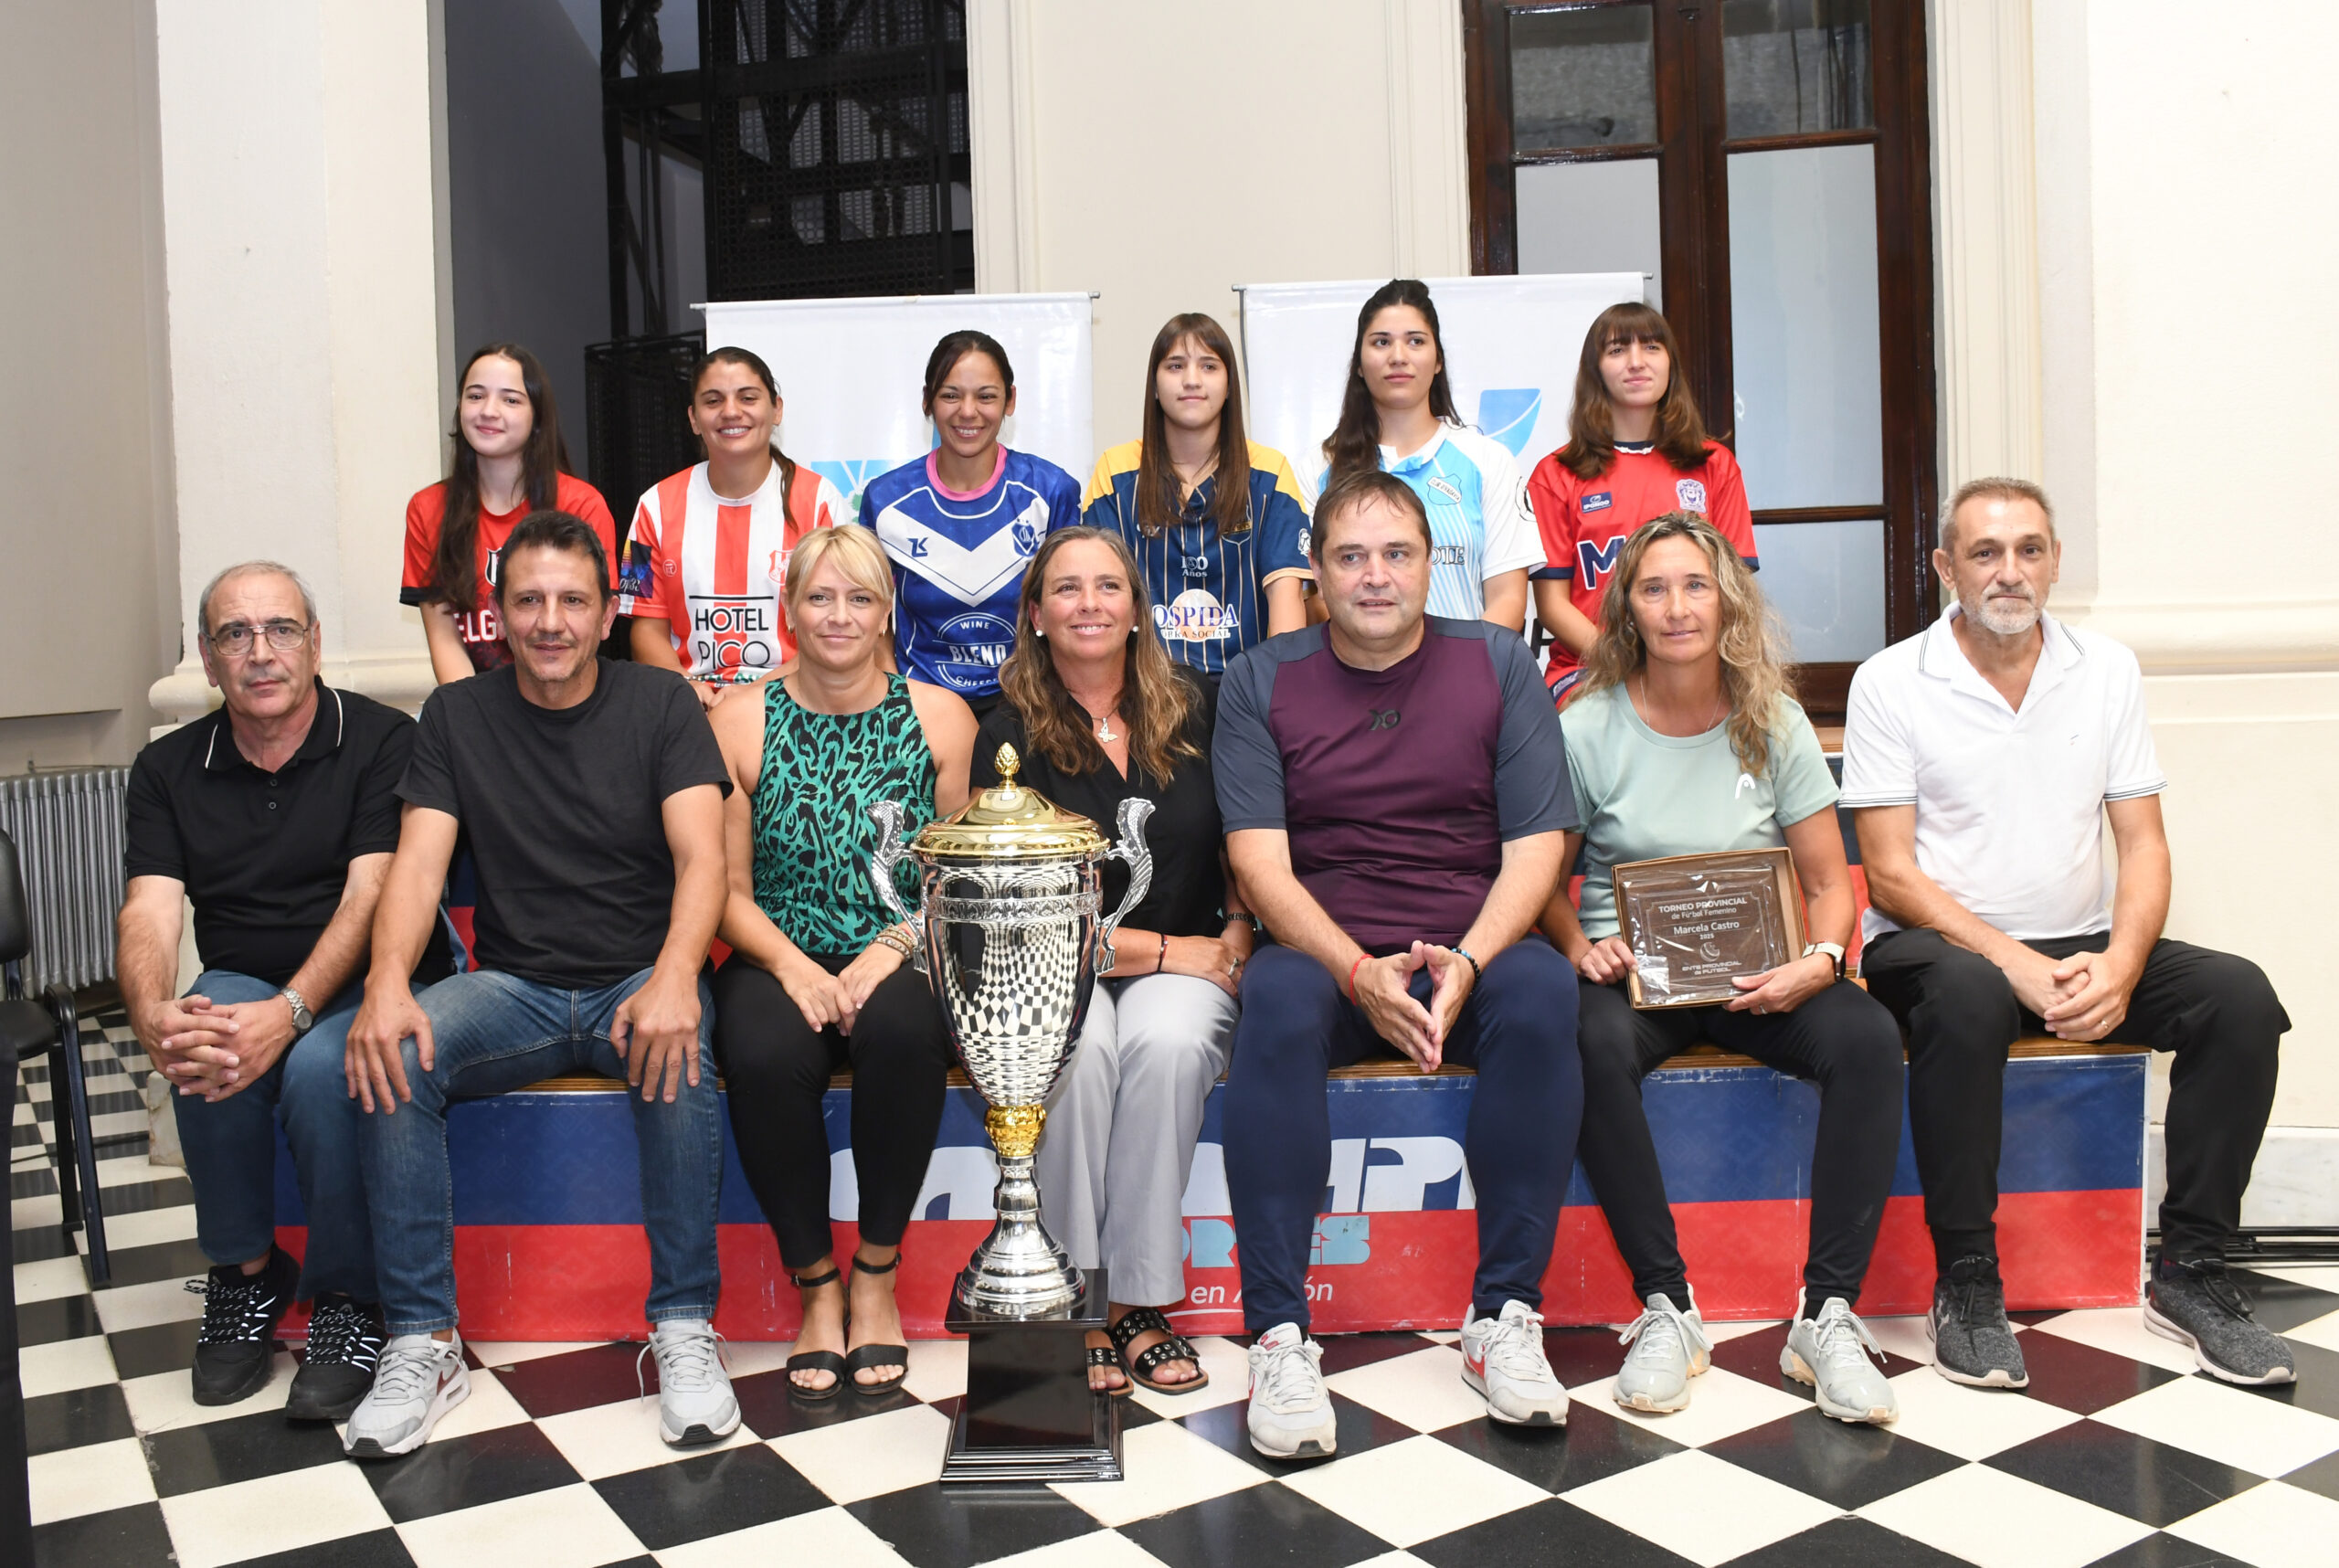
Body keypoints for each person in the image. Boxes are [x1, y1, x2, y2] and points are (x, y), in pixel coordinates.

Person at [1847, 478, 2293, 1388]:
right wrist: (2010, 962)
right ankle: (1966, 1280)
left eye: (2028, 551)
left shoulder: (2107, 670)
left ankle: (2193, 1269)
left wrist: (2123, 966)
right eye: (1984, 552)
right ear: (1944, 568)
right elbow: (1889, 869)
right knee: (1970, 994)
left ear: (2053, 563)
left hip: (2075, 940)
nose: (2008, 572)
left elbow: (2143, 843)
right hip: (1933, 950)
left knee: (2238, 998)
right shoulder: (1890, 679)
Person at [343, 512, 735, 1457]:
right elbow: (418, 869)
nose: (549, 620)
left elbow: (703, 860)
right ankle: (424, 1342)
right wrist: (387, 983)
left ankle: (682, 1327)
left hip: (638, 980)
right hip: (512, 988)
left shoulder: (661, 704)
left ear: (606, 615)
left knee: (676, 1048)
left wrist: (679, 976)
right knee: (394, 1046)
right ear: (499, 616)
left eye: (571, 601)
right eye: (527, 601)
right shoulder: (456, 717)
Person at [1214, 469, 1582, 1457]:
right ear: (1318, 575)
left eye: (1396, 554)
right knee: (1276, 1008)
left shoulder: (1500, 664)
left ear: (1431, 566)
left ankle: (1502, 1315)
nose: (1374, 577)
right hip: (1326, 946)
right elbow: (1257, 865)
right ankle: (1281, 1335)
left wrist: (1466, 958)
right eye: (1350, 557)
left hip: (1476, 937)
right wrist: (1352, 971)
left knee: (1545, 994)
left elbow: (1537, 844)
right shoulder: (1260, 679)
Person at [1541, 514, 1905, 1425]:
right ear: (1626, 605)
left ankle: (1825, 1316)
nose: (1675, 607)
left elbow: (1830, 886)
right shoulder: (1584, 725)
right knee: (1582, 1040)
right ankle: (1669, 1305)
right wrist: (1579, 945)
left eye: (1694, 585)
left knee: (1866, 1036)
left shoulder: (1770, 720)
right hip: (1633, 983)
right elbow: (1543, 885)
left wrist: (1820, 962)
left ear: (1727, 599)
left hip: (1763, 981)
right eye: (1654, 587)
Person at [116, 562, 451, 1416]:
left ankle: (348, 1302)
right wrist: (152, 1010)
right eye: (236, 634)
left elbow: (371, 893)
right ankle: (247, 1275)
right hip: (245, 969)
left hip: (378, 975)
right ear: (207, 656)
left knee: (318, 1071)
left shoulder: (382, 738)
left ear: (314, 643)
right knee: (204, 1035)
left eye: (280, 630)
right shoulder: (165, 768)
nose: (260, 653)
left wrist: (293, 1012)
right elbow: (149, 913)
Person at [975, 526, 1248, 1395]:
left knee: (1164, 1048)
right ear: (1036, 614)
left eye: (1107, 586)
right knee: (1080, 1054)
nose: (1089, 603)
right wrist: (1174, 950)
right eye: (1066, 589)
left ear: (1137, 610)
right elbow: (1020, 907)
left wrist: (1239, 932)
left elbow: (1250, 836)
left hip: (1194, 961)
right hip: (1058, 964)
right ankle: (1076, 1300)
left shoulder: (1205, 704)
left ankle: (1137, 1303)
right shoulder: (1006, 732)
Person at [707, 524, 976, 1397]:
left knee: (905, 1034)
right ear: (788, 610)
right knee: (758, 1050)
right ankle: (816, 1285)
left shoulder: (941, 716)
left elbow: (954, 872)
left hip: (899, 950)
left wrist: (889, 949)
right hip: (772, 951)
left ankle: (876, 1274)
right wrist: (795, 970)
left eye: (860, 597)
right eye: (819, 597)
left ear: (887, 608)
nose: (838, 615)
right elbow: (725, 887)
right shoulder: (738, 718)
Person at [1527, 302, 1759, 703]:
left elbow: (1733, 590)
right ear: (1595, 371)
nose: (1636, 363)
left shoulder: (1715, 467)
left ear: (1671, 364)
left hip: (1696, 665)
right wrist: (1623, 662)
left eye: (1651, 347)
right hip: (1590, 669)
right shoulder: (1556, 475)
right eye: (1617, 350)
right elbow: (1552, 606)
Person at [860, 330, 1084, 715]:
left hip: (1029, 706)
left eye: (986, 396)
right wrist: (899, 700)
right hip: (921, 707)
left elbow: (1070, 608)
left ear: (1009, 401)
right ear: (927, 402)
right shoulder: (886, 500)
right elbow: (869, 613)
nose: (968, 411)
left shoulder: (1050, 491)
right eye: (950, 395)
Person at [1082, 313, 1311, 678]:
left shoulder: (1270, 473)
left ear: (1230, 384)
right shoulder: (1116, 471)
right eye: (1175, 366)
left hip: (1244, 692)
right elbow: (1099, 599)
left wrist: (1272, 699)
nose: (1191, 380)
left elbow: (1286, 606)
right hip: (1144, 692)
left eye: (1208, 366)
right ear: (1154, 386)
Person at [618, 346, 848, 706]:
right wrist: (687, 690)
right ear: (694, 419)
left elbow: (839, 627)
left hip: (799, 703)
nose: (730, 411)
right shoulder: (652, 507)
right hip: (689, 705)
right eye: (713, 401)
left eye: (747, 397)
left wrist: (753, 695)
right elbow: (644, 628)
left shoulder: (823, 502)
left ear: (777, 410)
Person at [1315, 280, 1541, 633]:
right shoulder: (1318, 467)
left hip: (1463, 680)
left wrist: (1459, 671)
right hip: (1352, 682)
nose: (1398, 356)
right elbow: (1315, 600)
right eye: (1381, 342)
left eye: (1416, 341)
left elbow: (1508, 600)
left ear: (1438, 362)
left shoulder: (1489, 461)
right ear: (1359, 364)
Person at [401, 344, 619, 683]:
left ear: (537, 417)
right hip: (475, 702)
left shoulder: (581, 504)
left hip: (562, 695)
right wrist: (472, 715)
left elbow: (584, 629)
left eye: (510, 399)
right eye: (475, 396)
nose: (489, 411)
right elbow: (444, 636)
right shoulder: (428, 508)